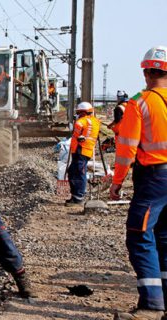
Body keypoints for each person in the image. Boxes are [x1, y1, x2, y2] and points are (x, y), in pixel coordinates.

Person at [110, 46, 167, 320]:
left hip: (154, 178)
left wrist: (116, 183)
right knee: (165, 238)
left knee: (139, 236)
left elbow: (126, 149)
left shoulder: (140, 103)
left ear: (146, 72)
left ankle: (152, 306)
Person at [65, 101, 101, 206]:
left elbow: (76, 134)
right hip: (87, 150)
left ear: (83, 112)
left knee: (78, 173)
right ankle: (76, 195)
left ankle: (78, 197)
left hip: (80, 150)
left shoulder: (81, 122)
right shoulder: (95, 121)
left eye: (79, 112)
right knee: (74, 171)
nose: (78, 114)